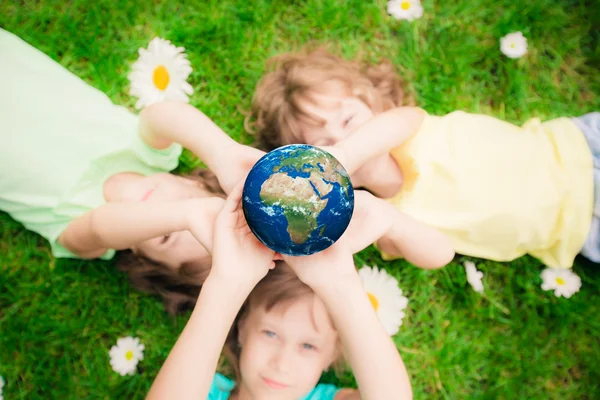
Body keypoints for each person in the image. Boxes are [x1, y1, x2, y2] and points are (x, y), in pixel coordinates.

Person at [247, 46, 600, 269]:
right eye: (322, 142)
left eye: (348, 119)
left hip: (579, 147)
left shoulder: (410, 127)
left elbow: (385, 129)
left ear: (373, 102)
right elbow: (440, 255)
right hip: (579, 228)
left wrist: (337, 155)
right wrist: (389, 219)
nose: (343, 136)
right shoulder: (382, 219)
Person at [0, 28, 265, 313]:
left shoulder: (85, 230)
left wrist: (183, 214)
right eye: (188, 202)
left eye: (166, 233)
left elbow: (100, 227)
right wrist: (222, 151)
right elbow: (161, 116)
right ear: (195, 182)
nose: (160, 206)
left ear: (140, 254)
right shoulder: (151, 157)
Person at [146, 182, 414, 400]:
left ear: (332, 355)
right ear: (242, 328)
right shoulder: (202, 387)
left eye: (308, 346)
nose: (281, 363)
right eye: (270, 333)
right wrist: (226, 284)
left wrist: (341, 284)